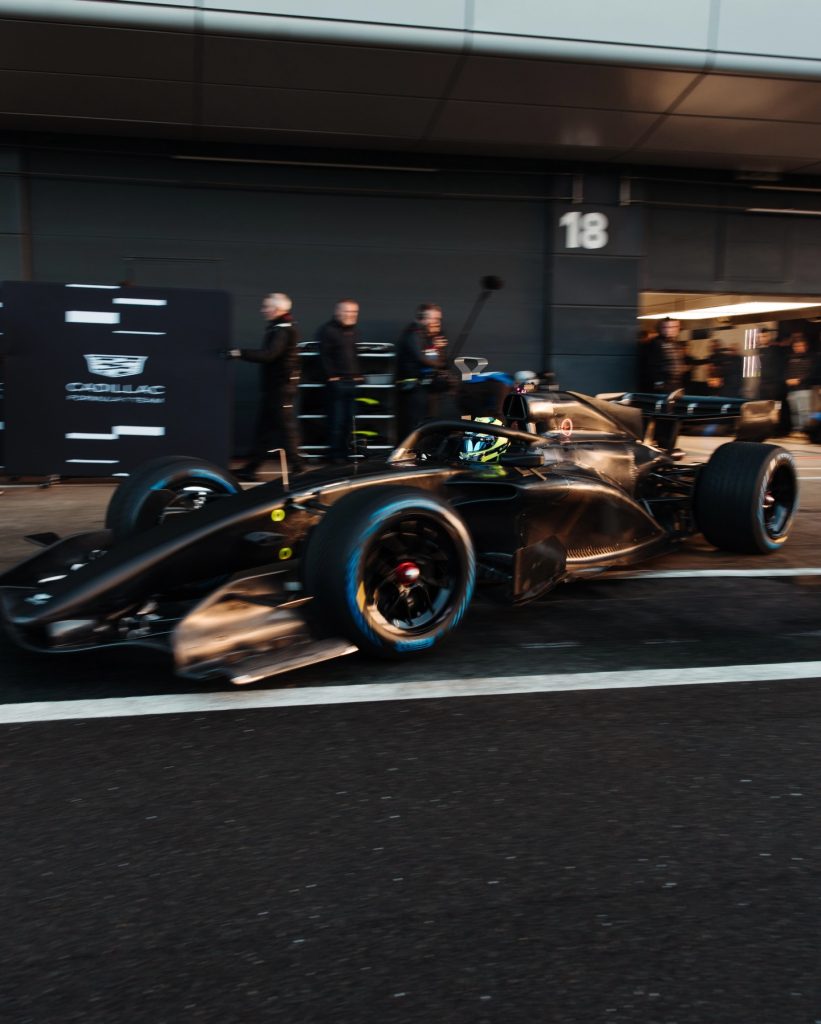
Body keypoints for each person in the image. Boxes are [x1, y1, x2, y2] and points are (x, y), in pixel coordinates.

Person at [226, 292, 304, 480]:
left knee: (285, 429)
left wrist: (240, 353)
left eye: (266, 306)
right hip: (275, 389)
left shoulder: (283, 330)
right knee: (265, 430)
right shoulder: (279, 327)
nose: (263, 310)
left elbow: (269, 354)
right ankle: (252, 468)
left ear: (277, 309)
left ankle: (299, 467)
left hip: (281, 389)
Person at [394, 303, 450, 442]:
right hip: (412, 389)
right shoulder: (412, 333)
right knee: (412, 425)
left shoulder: (429, 335)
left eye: (439, 319)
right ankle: (406, 452)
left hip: (426, 388)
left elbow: (440, 361)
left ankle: (422, 450)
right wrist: (439, 362)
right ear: (422, 318)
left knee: (427, 424)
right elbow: (421, 358)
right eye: (434, 318)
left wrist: (439, 348)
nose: (437, 322)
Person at [316, 298, 363, 464]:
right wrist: (331, 376)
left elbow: (354, 355)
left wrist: (358, 375)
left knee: (348, 422)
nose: (351, 315)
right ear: (337, 312)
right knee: (336, 421)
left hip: (351, 382)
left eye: (354, 312)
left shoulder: (353, 331)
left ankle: (344, 453)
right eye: (347, 311)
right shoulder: (327, 330)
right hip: (337, 383)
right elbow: (323, 356)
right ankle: (335, 456)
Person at [784, 332, 816, 436]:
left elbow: (810, 373)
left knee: (804, 411)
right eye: (796, 346)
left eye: (800, 345)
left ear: (805, 346)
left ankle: (805, 431)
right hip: (792, 390)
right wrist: (787, 379)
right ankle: (797, 430)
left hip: (804, 389)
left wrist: (799, 380)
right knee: (794, 411)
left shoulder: (810, 358)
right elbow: (786, 371)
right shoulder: (790, 358)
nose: (798, 348)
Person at [646, 317, 687, 393]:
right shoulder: (656, 343)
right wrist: (658, 382)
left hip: (676, 383)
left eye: (674, 327)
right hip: (665, 384)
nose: (670, 330)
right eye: (666, 327)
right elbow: (652, 365)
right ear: (660, 329)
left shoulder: (676, 344)